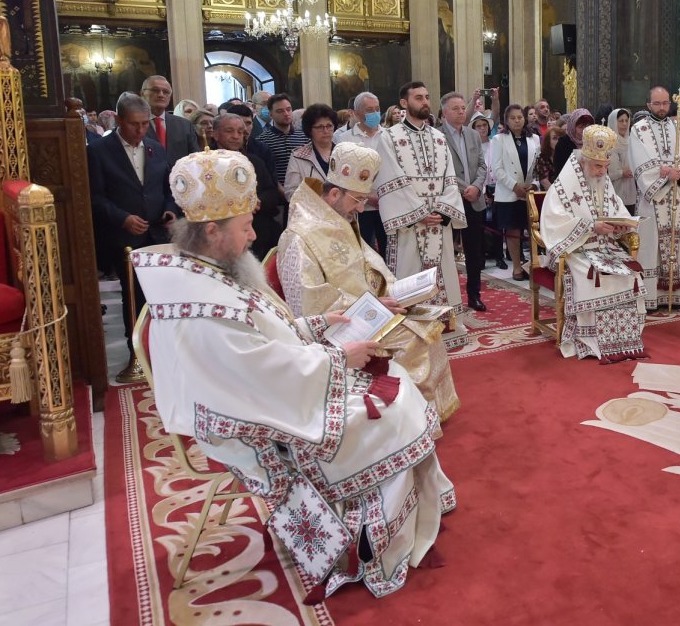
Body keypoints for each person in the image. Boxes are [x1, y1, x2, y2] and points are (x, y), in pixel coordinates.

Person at [131, 149, 453, 602]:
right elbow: (256, 369)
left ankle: (403, 512)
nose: (253, 235)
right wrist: (340, 358)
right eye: (245, 227)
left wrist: (319, 326)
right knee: (389, 410)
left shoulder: (209, 270)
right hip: (248, 421)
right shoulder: (196, 306)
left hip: (274, 389)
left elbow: (264, 339)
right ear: (211, 231)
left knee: (394, 380)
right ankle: (367, 539)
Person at [279, 142, 461, 424]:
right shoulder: (300, 235)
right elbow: (308, 301)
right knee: (415, 341)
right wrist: (371, 305)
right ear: (335, 193)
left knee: (429, 326)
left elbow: (368, 264)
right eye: (358, 200)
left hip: (370, 310)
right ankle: (410, 422)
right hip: (342, 326)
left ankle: (426, 413)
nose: (362, 209)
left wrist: (393, 291)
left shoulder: (337, 217)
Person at [540, 125, 646, 363]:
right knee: (592, 276)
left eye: (605, 167)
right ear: (584, 161)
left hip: (606, 248)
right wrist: (590, 227)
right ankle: (591, 341)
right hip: (577, 250)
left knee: (631, 274)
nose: (601, 173)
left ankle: (624, 340)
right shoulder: (563, 186)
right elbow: (554, 222)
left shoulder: (604, 182)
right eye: (597, 166)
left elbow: (617, 209)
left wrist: (622, 226)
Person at [377, 82, 469, 349]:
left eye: (427, 97)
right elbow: (390, 179)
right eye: (418, 97)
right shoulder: (389, 137)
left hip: (438, 223)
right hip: (410, 225)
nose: (424, 101)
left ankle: (447, 325)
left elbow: (450, 179)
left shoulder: (439, 138)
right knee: (408, 273)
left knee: (445, 274)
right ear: (404, 104)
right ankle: (409, 331)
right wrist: (419, 214)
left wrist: (440, 210)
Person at [88, 92, 176, 347]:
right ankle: (136, 349)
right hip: (123, 236)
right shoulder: (98, 151)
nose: (140, 130)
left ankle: (161, 345)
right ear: (118, 120)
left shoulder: (155, 148)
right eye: (133, 124)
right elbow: (95, 197)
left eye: (145, 123)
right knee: (134, 294)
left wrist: (170, 209)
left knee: (161, 293)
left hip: (157, 233)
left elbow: (167, 188)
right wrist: (123, 218)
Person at [631, 86, 680, 310]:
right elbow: (640, 163)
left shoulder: (679, 129)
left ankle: (673, 295)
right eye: (657, 103)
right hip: (653, 201)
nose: (662, 108)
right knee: (651, 246)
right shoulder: (638, 130)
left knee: (675, 245)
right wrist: (664, 172)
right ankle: (650, 297)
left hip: (675, 196)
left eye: (665, 103)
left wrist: (679, 173)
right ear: (648, 104)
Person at [438, 92, 488, 311]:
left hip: (474, 200)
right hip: (449, 200)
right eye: (455, 109)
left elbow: (481, 165)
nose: (460, 112)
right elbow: (441, 170)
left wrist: (476, 186)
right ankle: (447, 294)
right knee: (446, 251)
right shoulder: (436, 136)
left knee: (474, 251)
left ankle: (474, 294)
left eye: (462, 108)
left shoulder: (473, 135)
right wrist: (463, 187)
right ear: (444, 113)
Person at [213, 112, 280, 258]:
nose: (236, 136)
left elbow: (272, 193)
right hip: (222, 236)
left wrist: (257, 200)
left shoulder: (254, 162)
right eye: (229, 131)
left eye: (240, 132)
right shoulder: (206, 164)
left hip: (258, 232)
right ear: (215, 134)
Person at [336, 92, 390, 254]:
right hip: (360, 208)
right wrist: (368, 197)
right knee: (365, 251)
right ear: (357, 113)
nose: (375, 114)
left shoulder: (389, 136)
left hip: (387, 205)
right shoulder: (345, 139)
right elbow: (342, 175)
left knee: (389, 251)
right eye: (369, 110)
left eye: (377, 109)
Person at [492, 104, 541, 281]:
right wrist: (514, 186)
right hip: (508, 192)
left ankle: (534, 265)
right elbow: (497, 168)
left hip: (528, 190)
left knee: (532, 228)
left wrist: (533, 184)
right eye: (512, 118)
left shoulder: (534, 138)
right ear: (506, 120)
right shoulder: (499, 139)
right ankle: (517, 267)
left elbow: (537, 166)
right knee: (513, 230)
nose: (517, 120)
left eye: (519, 117)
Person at [471, 113, 508, 270]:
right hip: (479, 190)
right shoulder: (472, 146)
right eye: (478, 126)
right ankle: (481, 258)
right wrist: (483, 190)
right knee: (481, 226)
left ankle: (500, 256)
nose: (482, 129)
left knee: (497, 225)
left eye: (484, 125)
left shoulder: (495, 143)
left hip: (496, 188)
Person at [141, 75, 200, 165]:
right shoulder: (135, 124)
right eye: (155, 90)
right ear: (142, 94)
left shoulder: (185, 125)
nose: (161, 95)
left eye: (166, 92)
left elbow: (195, 158)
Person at [285, 104, 338, 202]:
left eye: (329, 126)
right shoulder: (298, 156)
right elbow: (291, 192)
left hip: (342, 213)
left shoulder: (344, 152)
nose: (325, 131)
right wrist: (320, 200)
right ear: (309, 130)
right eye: (319, 127)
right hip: (312, 213)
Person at [255, 93, 310, 187]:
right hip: (276, 195)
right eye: (280, 111)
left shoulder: (304, 137)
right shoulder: (262, 141)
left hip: (303, 191)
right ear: (271, 114)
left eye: (288, 109)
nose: (286, 114)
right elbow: (266, 173)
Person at [607, 108, 637, 214]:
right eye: (621, 121)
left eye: (626, 121)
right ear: (614, 122)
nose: (624, 124)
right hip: (614, 191)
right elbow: (609, 172)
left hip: (631, 191)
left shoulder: (632, 141)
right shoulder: (608, 143)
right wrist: (621, 172)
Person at [553, 108, 594, 179]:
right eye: (581, 127)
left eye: (588, 126)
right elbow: (559, 169)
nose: (585, 130)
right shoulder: (563, 143)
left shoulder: (593, 141)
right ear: (573, 126)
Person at [534, 124, 563, 190]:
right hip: (549, 194)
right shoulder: (542, 158)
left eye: (560, 138)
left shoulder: (567, 156)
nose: (558, 141)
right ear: (548, 141)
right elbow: (545, 182)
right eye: (554, 138)